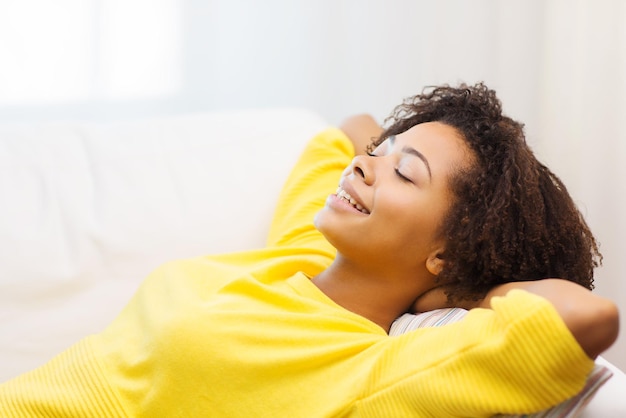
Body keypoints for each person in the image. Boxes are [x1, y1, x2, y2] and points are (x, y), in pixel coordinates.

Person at [0, 82, 619, 417]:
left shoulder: (371, 373)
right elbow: (345, 131)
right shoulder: (299, 251)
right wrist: (393, 153)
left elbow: (585, 318)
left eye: (407, 174)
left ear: (448, 255)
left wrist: (481, 285)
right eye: (378, 156)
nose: (363, 166)